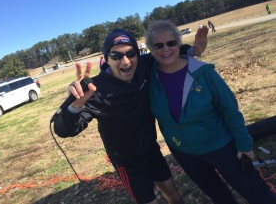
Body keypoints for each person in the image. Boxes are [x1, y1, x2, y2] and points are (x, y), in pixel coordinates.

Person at [53, 27, 208, 204]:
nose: (125, 61)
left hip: (151, 149)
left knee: (174, 196)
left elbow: (165, 52)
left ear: (137, 54)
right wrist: (76, 105)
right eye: (116, 56)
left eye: (130, 53)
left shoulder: (143, 65)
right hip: (127, 162)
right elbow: (63, 130)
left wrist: (193, 50)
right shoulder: (95, 89)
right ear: (106, 59)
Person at [146, 19, 276, 204]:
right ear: (150, 48)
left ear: (179, 43)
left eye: (171, 43)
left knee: (256, 192)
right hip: (184, 152)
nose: (165, 49)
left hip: (220, 146)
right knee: (218, 196)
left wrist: (245, 145)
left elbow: (230, 111)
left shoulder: (204, 73)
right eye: (158, 45)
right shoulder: (149, 77)